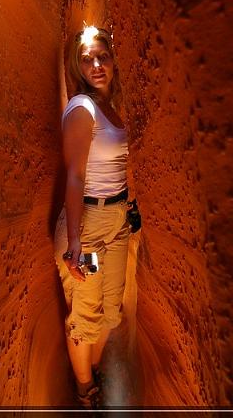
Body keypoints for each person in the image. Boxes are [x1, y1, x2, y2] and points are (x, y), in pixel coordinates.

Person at [54, 25, 130, 408]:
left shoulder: (110, 107)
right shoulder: (82, 108)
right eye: (87, 59)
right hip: (88, 229)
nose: (97, 64)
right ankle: (85, 391)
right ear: (77, 66)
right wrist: (74, 242)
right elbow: (76, 175)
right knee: (86, 313)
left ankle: (93, 371)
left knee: (110, 310)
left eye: (103, 56)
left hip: (115, 225)